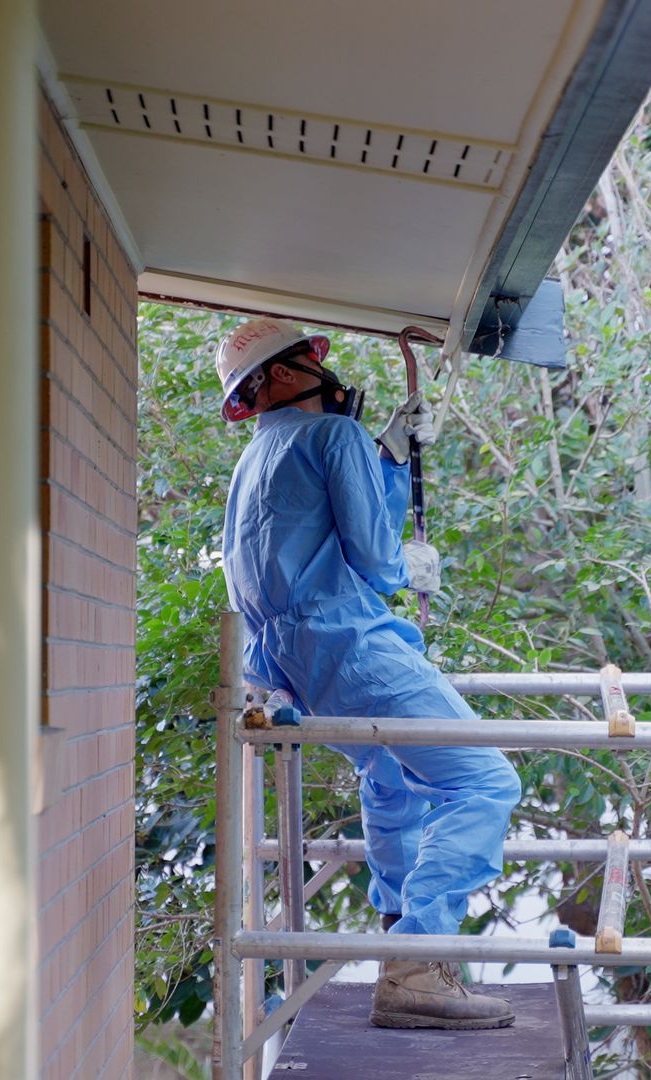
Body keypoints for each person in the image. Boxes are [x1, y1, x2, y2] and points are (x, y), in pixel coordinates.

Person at [216, 317, 521, 1030]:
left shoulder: (256, 459)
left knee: (390, 776)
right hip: (353, 647)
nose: (331, 371)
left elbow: (298, 535)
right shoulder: (333, 437)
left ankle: (398, 928)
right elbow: (377, 558)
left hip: (293, 665)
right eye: (313, 361)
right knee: (483, 780)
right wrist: (403, 555)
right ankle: (417, 962)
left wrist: (384, 455)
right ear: (286, 376)